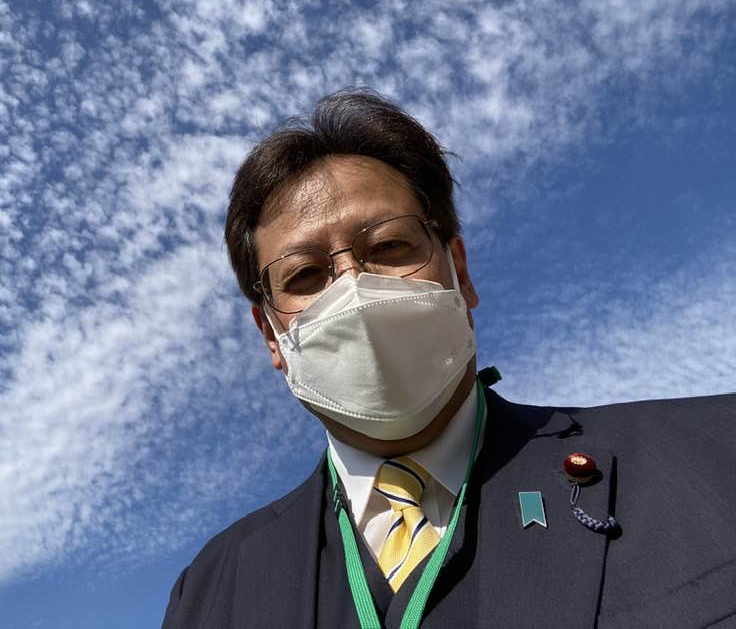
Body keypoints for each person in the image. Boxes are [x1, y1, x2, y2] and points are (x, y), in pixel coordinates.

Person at [162, 90, 736, 628]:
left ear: (459, 272)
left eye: (388, 246)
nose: (353, 290)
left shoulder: (712, 454)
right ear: (270, 335)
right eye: (306, 275)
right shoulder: (211, 594)